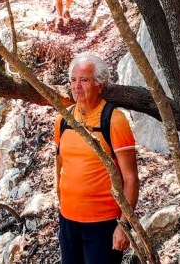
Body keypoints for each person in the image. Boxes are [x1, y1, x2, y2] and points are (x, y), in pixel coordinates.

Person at [54, 53, 139, 264]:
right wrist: (61, 201)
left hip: (103, 224)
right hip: (68, 222)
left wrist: (124, 225)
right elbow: (60, 164)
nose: (77, 87)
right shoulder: (63, 120)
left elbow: (130, 178)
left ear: (100, 85)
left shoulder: (114, 121)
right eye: (73, 80)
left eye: (84, 80)